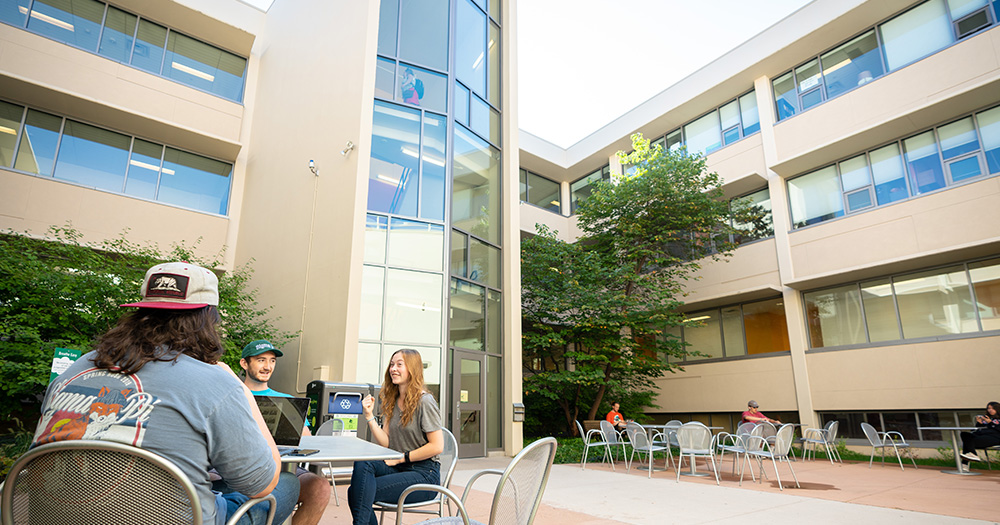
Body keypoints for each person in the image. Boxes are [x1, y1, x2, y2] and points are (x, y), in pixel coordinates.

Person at [32, 261, 299, 525]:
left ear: (139, 314)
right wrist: (243, 392)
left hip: (54, 517)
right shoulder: (215, 381)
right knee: (287, 483)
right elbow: (261, 484)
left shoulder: (77, 368)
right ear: (207, 319)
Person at [239, 340, 331, 525]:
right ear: (244, 363)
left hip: (283, 467)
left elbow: (306, 440)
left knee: (320, 487)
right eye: (261, 360)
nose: (267, 366)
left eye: (272, 361)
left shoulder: (287, 401)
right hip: (241, 468)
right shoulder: (232, 394)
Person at [348, 349, 443, 525]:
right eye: (392, 364)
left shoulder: (425, 402)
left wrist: (401, 458)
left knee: (358, 493)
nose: (393, 368)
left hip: (424, 473)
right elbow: (387, 442)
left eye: (399, 364)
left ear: (412, 369)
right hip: (399, 467)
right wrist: (369, 416)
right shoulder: (392, 399)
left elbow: (437, 446)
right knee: (362, 464)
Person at [958, 401, 1000, 469]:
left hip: (995, 437)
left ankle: (965, 464)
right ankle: (972, 454)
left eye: (992, 408)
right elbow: (978, 429)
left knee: (968, 442)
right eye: (988, 408)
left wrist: (991, 423)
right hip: (982, 436)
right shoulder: (987, 418)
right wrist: (979, 423)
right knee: (965, 435)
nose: (990, 410)